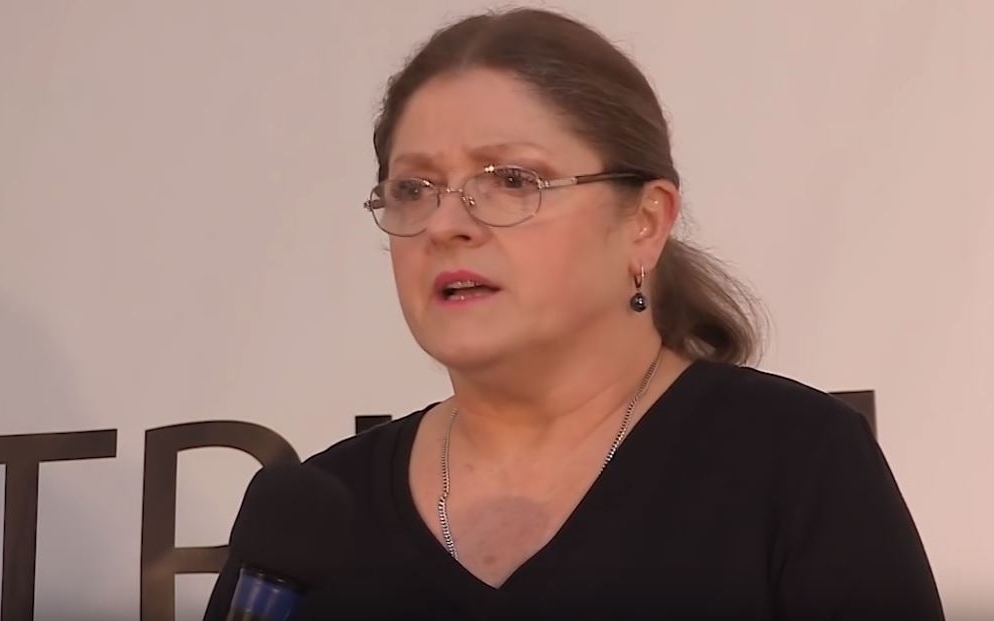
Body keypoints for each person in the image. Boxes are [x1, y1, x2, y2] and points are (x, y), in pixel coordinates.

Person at [205, 7, 944, 620]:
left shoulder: (792, 462)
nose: (446, 224)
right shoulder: (316, 516)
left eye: (511, 179)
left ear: (645, 223)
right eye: (413, 188)